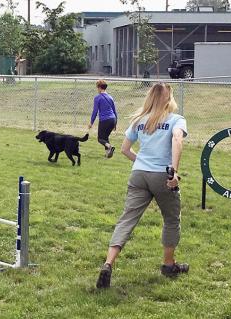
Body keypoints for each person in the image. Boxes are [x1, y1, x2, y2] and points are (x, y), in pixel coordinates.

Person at [96, 82, 188, 289]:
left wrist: (141, 162)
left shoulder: (139, 120)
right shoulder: (176, 120)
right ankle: (168, 265)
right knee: (171, 220)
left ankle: (108, 263)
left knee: (127, 220)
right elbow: (177, 140)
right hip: (162, 177)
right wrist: (173, 170)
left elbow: (125, 150)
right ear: (168, 99)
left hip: (138, 175)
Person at [87, 79, 118, 159]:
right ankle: (107, 154)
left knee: (100, 139)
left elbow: (95, 111)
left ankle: (110, 147)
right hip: (113, 119)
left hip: (105, 120)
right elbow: (115, 111)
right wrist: (115, 124)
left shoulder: (98, 98)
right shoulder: (110, 97)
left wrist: (91, 122)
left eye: (97, 87)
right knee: (105, 137)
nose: (97, 89)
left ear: (100, 88)